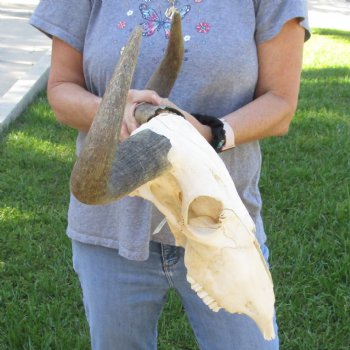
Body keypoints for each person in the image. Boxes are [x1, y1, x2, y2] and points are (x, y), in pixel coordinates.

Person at [30, 1, 310, 349]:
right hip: (109, 230)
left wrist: (208, 134)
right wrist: (115, 112)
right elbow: (60, 89)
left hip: (218, 224)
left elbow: (280, 102)